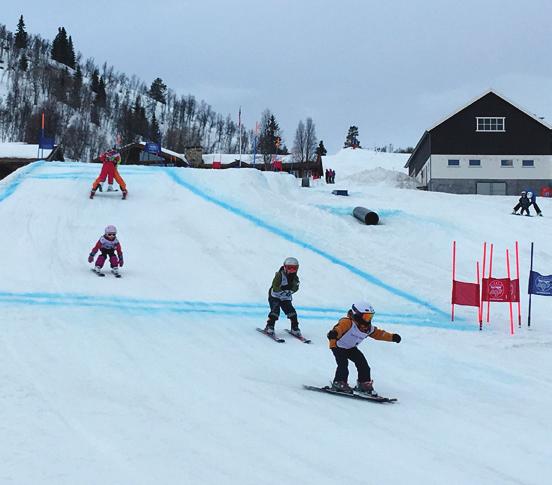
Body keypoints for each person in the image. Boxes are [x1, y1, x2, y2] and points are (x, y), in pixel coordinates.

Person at [327, 302, 401, 395]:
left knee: (363, 364)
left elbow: (379, 334)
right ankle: (339, 382)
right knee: (343, 364)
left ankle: (363, 384)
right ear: (357, 314)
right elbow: (339, 329)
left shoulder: (367, 328)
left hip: (351, 348)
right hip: (338, 345)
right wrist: (334, 334)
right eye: (366, 317)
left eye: (370, 317)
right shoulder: (347, 322)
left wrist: (392, 337)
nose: (368, 320)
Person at [264, 257, 302, 336]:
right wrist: (282, 288)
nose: (292, 270)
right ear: (285, 267)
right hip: (275, 296)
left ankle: (294, 327)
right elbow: (275, 286)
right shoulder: (279, 275)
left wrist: (290, 290)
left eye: (294, 268)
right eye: (289, 268)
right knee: (275, 311)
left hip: (285, 297)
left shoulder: (295, 278)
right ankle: (269, 326)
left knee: (291, 312)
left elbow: (296, 287)